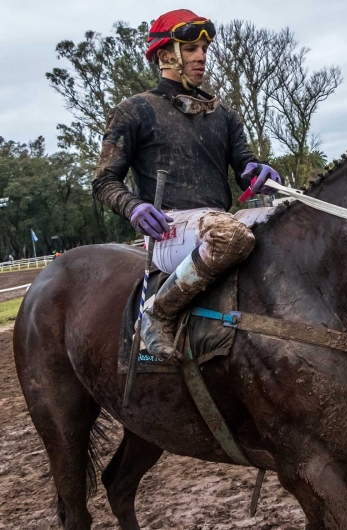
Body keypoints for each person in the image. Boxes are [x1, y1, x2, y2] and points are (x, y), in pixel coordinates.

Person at [93, 9, 281, 361]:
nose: (202, 57)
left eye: (204, 49)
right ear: (166, 55)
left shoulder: (222, 113)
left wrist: (259, 172)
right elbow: (104, 180)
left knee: (289, 220)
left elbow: (245, 165)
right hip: (170, 230)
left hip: (218, 221)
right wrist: (133, 206)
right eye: (192, 48)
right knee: (230, 236)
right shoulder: (134, 110)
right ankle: (156, 314)